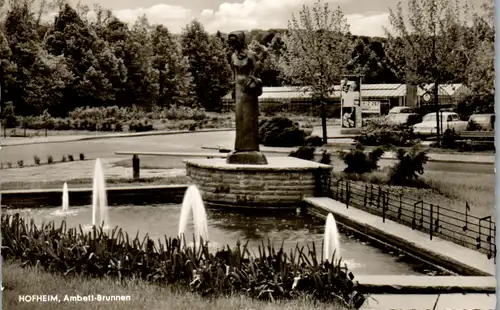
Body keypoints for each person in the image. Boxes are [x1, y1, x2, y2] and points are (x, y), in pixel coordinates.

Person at [226, 31, 267, 165]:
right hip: (238, 89)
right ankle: (240, 147)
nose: (232, 45)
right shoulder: (233, 56)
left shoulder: (250, 55)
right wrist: (233, 88)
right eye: (231, 43)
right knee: (239, 118)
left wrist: (253, 79)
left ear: (240, 41)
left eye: (234, 42)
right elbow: (233, 74)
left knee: (249, 117)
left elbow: (257, 69)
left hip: (248, 89)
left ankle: (251, 148)